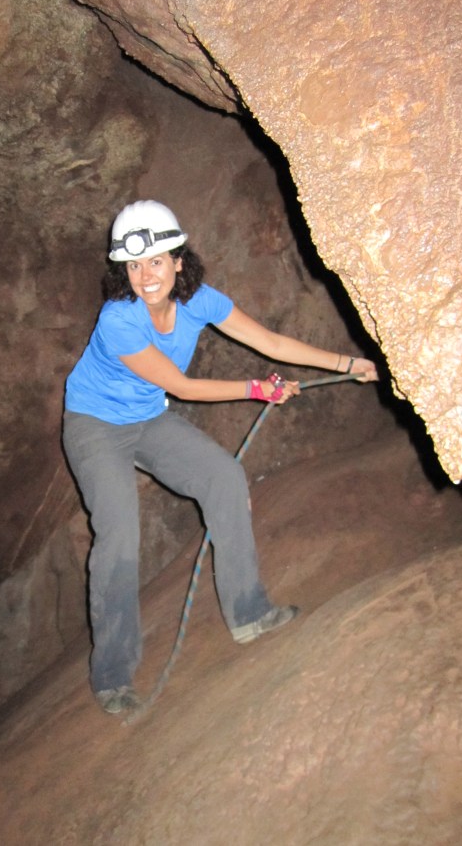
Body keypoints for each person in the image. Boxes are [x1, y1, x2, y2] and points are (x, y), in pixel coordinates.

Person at [63, 200, 378, 715]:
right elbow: (182, 387)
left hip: (145, 418)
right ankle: (113, 676)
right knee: (119, 533)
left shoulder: (200, 301)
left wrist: (350, 363)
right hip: (94, 426)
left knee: (224, 477)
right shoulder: (118, 319)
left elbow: (270, 342)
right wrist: (257, 389)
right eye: (134, 266)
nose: (146, 276)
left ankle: (249, 613)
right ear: (123, 270)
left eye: (156, 262)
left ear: (178, 261)